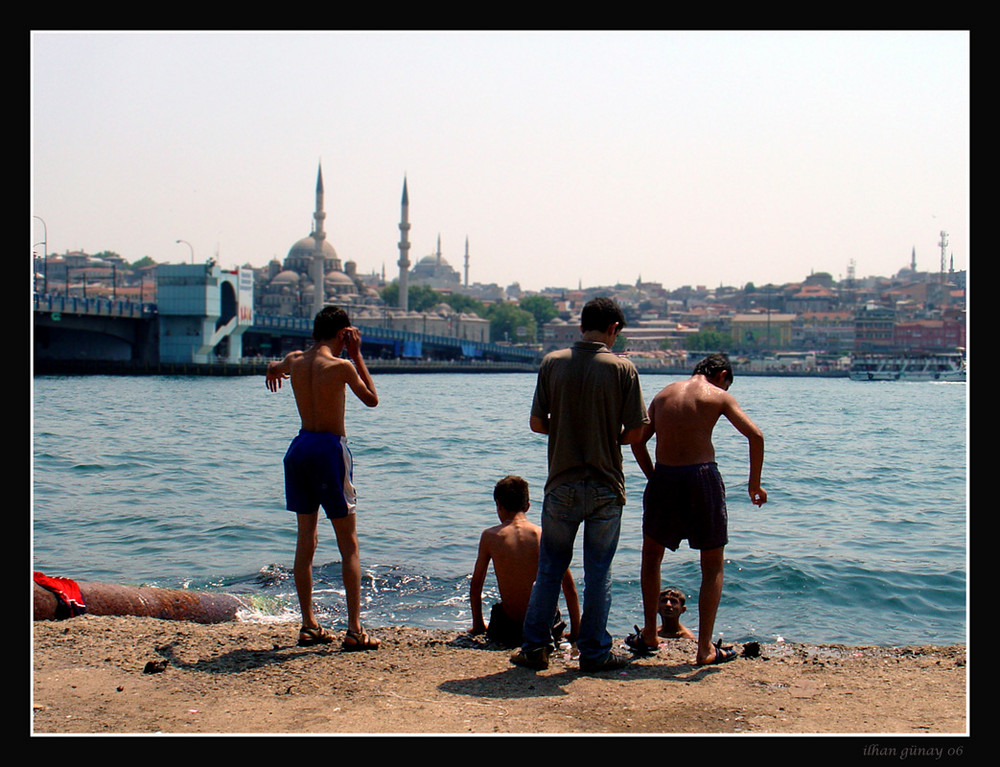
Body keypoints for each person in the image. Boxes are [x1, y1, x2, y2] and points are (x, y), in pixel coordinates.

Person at [512, 297, 649, 672]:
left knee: (550, 568)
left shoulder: (552, 363)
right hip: (606, 485)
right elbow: (636, 432)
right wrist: (607, 434)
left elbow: (538, 423)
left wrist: (569, 428)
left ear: (580, 325)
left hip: (562, 483)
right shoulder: (623, 369)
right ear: (613, 330)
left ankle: (536, 647)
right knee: (599, 571)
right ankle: (593, 651)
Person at [628, 352, 766, 665]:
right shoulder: (717, 396)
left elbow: (638, 440)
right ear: (721, 375)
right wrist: (753, 485)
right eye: (726, 384)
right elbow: (755, 436)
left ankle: (650, 633)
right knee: (712, 564)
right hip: (702, 477)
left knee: (651, 557)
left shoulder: (663, 395)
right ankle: (704, 648)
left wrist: (654, 477)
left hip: (665, 476)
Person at [265, 305, 381, 652]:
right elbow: (372, 400)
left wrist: (272, 369)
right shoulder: (342, 366)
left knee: (306, 539)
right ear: (343, 334)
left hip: (299, 448)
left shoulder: (295, 360)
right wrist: (358, 355)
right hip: (329, 449)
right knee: (349, 544)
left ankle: (308, 625)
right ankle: (355, 630)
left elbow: (276, 367)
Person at [469, 476, 580, 647]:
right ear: (527, 506)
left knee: (500, 609)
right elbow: (569, 588)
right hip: (545, 627)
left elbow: (476, 587)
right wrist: (576, 630)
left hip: (508, 629)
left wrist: (478, 626)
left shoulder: (490, 537)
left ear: (498, 505)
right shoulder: (543, 535)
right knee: (547, 604)